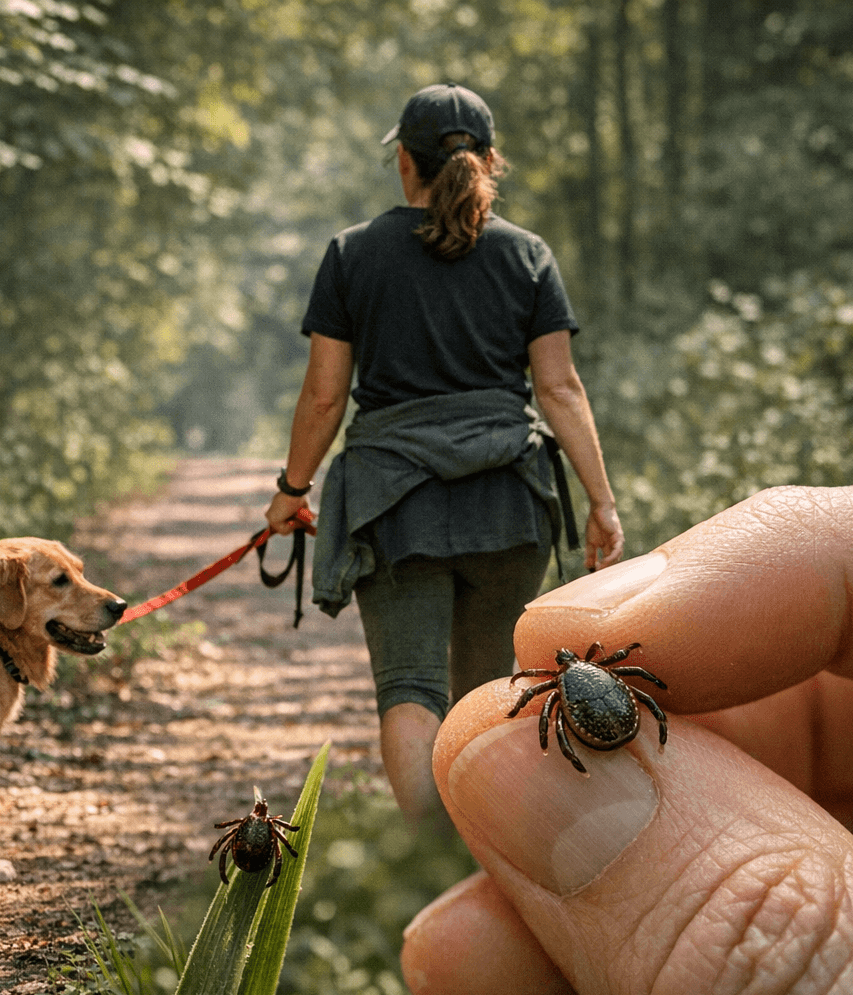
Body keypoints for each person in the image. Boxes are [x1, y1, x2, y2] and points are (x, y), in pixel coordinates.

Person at [402, 483, 853, 995]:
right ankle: (623, 747)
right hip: (613, 706)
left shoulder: (553, 688)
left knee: (563, 719)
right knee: (635, 695)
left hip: (598, 712)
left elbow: (547, 708)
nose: (556, 664)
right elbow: (639, 674)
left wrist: (552, 743)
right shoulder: (603, 667)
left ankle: (590, 761)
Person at [265, 83, 623, 816]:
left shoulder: (353, 254)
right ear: (490, 161)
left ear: (404, 161)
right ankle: (483, 862)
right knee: (492, 692)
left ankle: (425, 856)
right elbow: (559, 390)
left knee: (410, 689)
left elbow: (326, 396)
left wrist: (292, 490)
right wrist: (600, 501)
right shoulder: (526, 255)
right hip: (509, 503)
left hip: (396, 507)